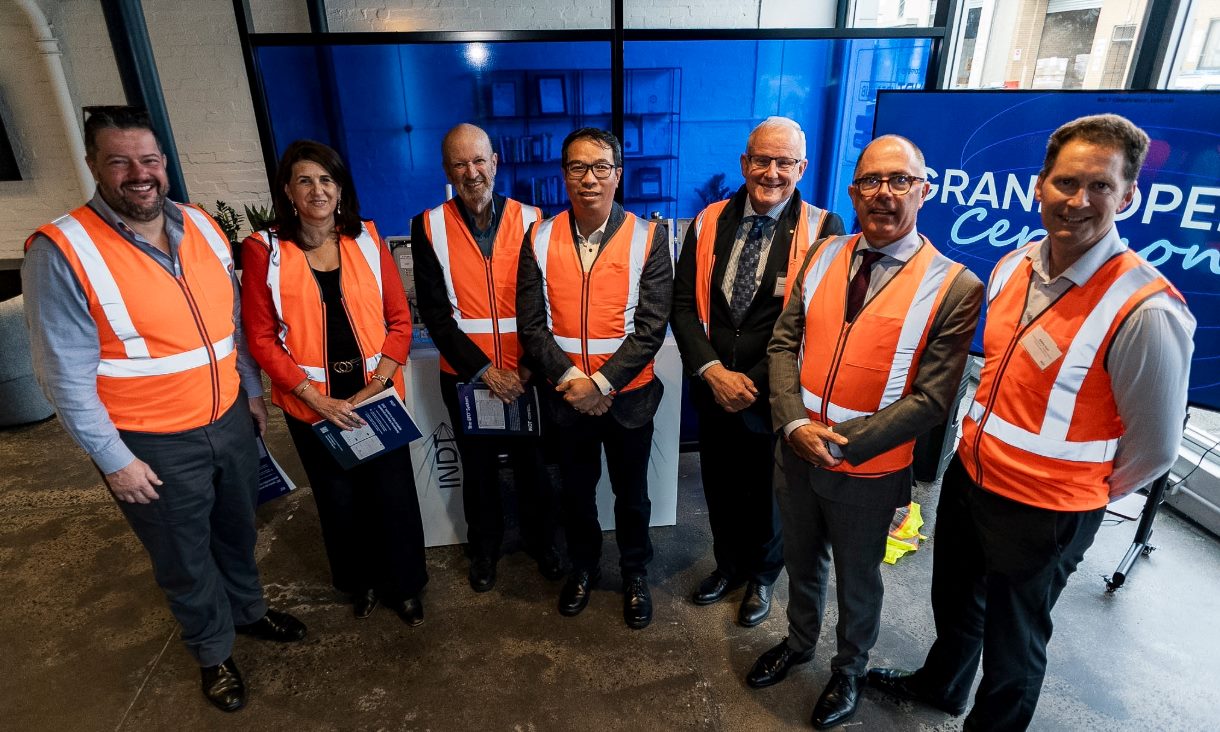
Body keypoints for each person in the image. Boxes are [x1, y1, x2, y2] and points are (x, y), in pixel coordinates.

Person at [868, 115, 1196, 731]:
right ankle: (943, 685)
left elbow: (1154, 450)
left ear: (1128, 196)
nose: (1078, 201)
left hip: (1047, 512)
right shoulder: (1013, 266)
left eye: (1100, 186)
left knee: (1014, 645)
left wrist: (1076, 488)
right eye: (1065, 182)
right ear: (1039, 185)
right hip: (971, 478)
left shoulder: (1147, 310)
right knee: (957, 604)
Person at [21, 106, 306, 713]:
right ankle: (213, 650)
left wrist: (251, 395)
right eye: (120, 161)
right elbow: (62, 375)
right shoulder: (63, 249)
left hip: (228, 417)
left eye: (148, 160)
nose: (138, 173)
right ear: (94, 166)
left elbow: (230, 326)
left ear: (165, 166)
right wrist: (112, 460)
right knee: (183, 553)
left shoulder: (200, 225)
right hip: (150, 440)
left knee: (237, 529)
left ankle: (249, 613)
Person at [756, 134, 984, 729]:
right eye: (870, 182)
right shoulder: (822, 254)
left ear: (925, 189)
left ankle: (849, 669)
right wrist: (795, 423)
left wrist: (839, 443)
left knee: (859, 582)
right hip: (797, 449)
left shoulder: (954, 286)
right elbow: (784, 342)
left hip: (870, 470)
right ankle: (800, 642)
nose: (883, 194)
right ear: (853, 191)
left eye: (900, 180)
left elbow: (933, 398)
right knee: (802, 563)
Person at [241, 140, 428, 629]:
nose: (317, 190)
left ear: (340, 190)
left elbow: (399, 319)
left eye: (327, 180)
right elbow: (260, 337)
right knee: (339, 501)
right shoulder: (265, 251)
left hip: (378, 398)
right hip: (313, 408)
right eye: (305, 180)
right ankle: (360, 584)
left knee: (393, 497)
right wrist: (313, 397)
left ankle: (405, 587)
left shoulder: (366, 238)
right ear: (287, 190)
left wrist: (380, 382)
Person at [671, 116, 845, 628]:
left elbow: (820, 323)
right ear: (744, 164)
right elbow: (683, 306)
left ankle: (763, 579)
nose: (772, 173)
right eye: (761, 161)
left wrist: (757, 382)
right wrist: (712, 372)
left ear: (802, 167)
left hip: (777, 396)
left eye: (784, 162)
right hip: (714, 388)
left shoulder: (824, 230)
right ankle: (727, 567)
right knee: (720, 486)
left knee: (771, 496)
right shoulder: (708, 222)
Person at [516, 127, 673, 629]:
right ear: (564, 176)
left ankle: (634, 573)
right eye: (578, 168)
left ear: (617, 174)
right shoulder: (539, 237)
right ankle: (583, 567)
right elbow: (532, 324)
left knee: (632, 495)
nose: (590, 178)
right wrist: (572, 383)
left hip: (628, 399)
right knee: (577, 493)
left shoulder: (650, 237)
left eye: (601, 167)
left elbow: (651, 328)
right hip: (567, 399)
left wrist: (600, 385)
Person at [410, 123, 561, 593]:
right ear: (446, 170)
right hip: (466, 375)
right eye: (460, 163)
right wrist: (483, 371)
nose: (471, 172)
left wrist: (529, 365)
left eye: (479, 161)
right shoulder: (428, 225)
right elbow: (435, 313)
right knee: (477, 472)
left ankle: (543, 542)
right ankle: (484, 550)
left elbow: (546, 301)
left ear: (495, 161)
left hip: (527, 371)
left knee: (534, 464)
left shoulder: (533, 218)